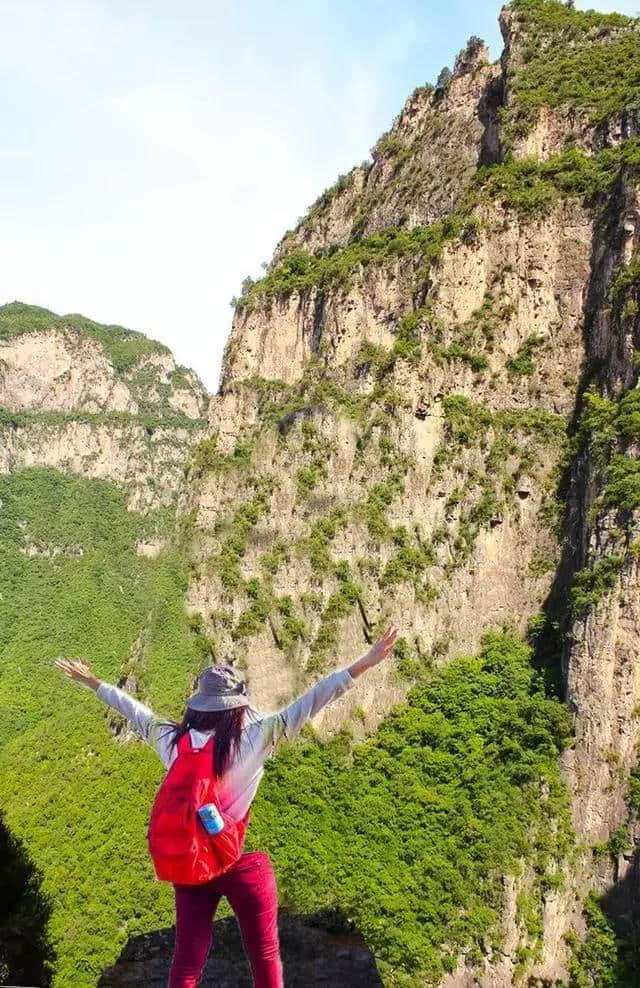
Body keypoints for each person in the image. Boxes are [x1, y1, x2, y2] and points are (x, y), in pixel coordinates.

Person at [55, 624, 398, 988]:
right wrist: (365, 663)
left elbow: (135, 712)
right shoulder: (255, 737)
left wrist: (92, 682)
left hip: (191, 863)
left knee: (187, 959)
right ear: (237, 707)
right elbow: (313, 701)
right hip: (232, 863)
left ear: (199, 707)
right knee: (264, 952)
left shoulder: (174, 740)